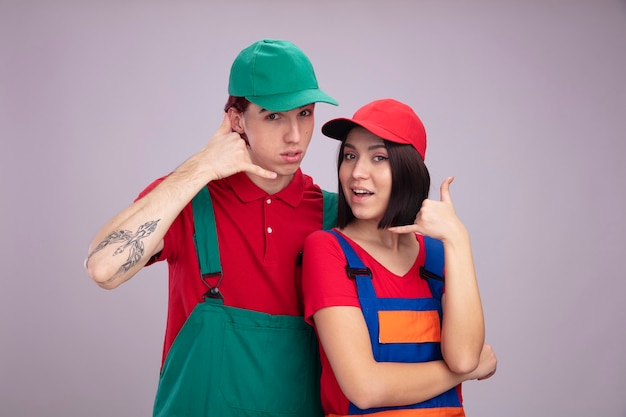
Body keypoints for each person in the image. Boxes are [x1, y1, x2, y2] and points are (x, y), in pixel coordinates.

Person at [84, 39, 338, 417]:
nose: (295, 135)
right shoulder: (188, 199)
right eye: (274, 116)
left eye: (304, 113)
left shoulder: (335, 217)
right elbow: (103, 268)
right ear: (236, 120)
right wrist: (200, 167)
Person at [302, 98, 497, 416]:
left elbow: (462, 355)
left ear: (409, 170)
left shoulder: (438, 254)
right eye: (350, 155)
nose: (357, 172)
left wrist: (458, 239)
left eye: (378, 157)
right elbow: (365, 388)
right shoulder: (328, 250)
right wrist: (464, 373)